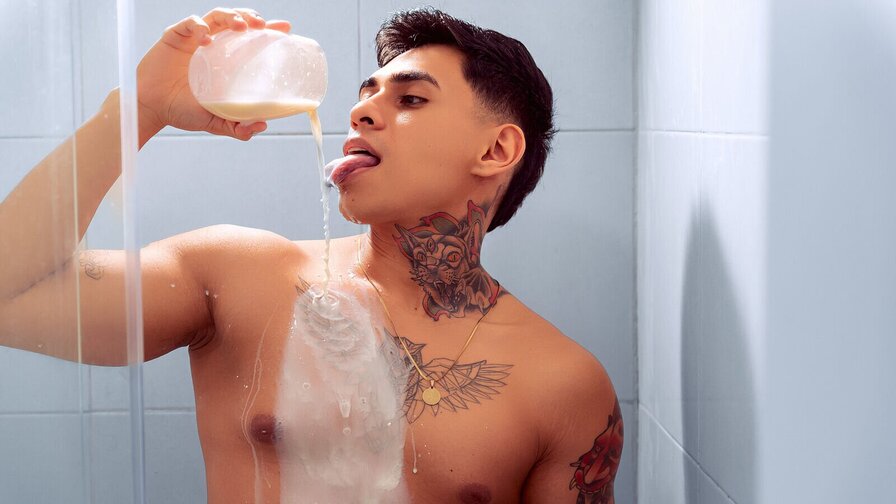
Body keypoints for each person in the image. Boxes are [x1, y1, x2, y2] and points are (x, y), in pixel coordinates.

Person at [0, 6, 622, 503]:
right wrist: (137, 110)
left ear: (495, 150)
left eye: (410, 99)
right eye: (366, 93)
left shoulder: (564, 383)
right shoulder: (239, 277)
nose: (360, 111)